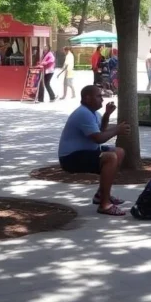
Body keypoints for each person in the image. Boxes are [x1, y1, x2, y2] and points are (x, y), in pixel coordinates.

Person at [58, 85, 130, 215]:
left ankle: (101, 195)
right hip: (71, 157)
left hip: (85, 152)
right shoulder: (83, 113)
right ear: (87, 98)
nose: (102, 99)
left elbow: (101, 130)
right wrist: (117, 130)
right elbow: (98, 138)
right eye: (98, 96)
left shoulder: (93, 113)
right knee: (110, 157)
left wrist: (107, 114)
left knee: (119, 152)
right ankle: (104, 205)